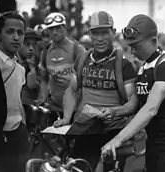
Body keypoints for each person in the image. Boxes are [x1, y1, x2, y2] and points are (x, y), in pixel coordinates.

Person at [101, 14, 165, 172]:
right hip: (154, 137)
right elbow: (135, 105)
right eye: (130, 45)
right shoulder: (144, 68)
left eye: (137, 46)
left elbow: (151, 108)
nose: (132, 50)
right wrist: (112, 111)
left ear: (153, 41)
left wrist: (117, 140)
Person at [54, 11, 138, 170]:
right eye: (95, 33)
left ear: (113, 33)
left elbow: (133, 103)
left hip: (112, 134)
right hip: (84, 131)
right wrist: (66, 118)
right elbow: (71, 91)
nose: (100, 39)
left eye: (105, 33)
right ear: (89, 34)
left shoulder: (123, 64)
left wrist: (114, 111)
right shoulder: (82, 60)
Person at [0, 11, 29, 172]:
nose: (16, 37)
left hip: (18, 134)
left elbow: (17, 100)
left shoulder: (21, 68)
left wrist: (23, 125)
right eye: (10, 32)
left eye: (20, 33)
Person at [38, 12, 85, 110]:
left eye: (58, 28)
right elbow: (44, 79)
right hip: (55, 106)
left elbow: (87, 79)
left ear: (65, 28)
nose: (55, 32)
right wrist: (43, 98)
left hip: (77, 107)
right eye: (51, 29)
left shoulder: (77, 49)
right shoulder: (45, 52)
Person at [19, 28, 42, 105]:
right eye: (27, 44)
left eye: (34, 44)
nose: (31, 48)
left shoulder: (34, 60)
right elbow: (31, 84)